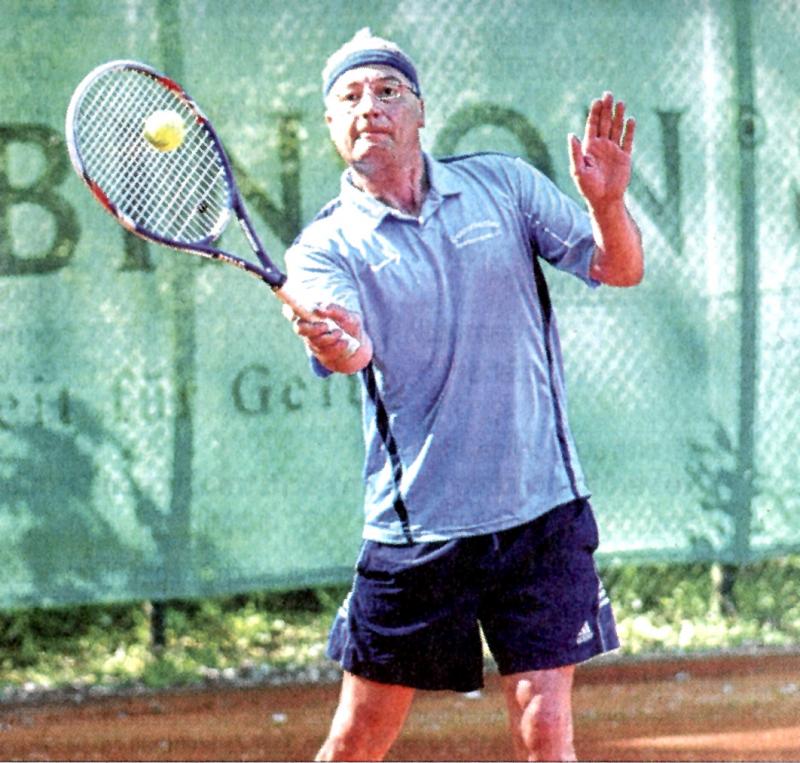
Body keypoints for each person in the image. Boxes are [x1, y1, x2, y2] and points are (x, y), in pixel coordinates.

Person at [282, 28, 644, 762]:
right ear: (330, 124)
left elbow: (619, 268)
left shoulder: (502, 185)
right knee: (357, 739)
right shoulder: (323, 247)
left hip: (540, 507)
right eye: (350, 97)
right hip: (419, 529)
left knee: (546, 728)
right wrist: (331, 340)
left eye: (388, 91)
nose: (370, 107)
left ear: (421, 112)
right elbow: (352, 352)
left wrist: (608, 204)